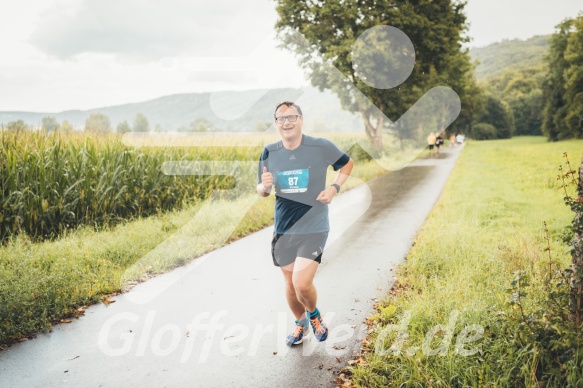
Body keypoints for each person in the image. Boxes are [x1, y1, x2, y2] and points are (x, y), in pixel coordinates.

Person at [257, 101, 353, 346]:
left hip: (314, 226)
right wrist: (265, 187)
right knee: (290, 285)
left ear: (301, 119)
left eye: (291, 117)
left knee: (302, 283)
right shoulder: (270, 151)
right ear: (276, 123)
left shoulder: (319, 146)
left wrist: (334, 188)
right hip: (283, 229)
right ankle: (300, 324)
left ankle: (314, 315)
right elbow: (262, 189)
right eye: (281, 118)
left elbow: (347, 163)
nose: (286, 122)